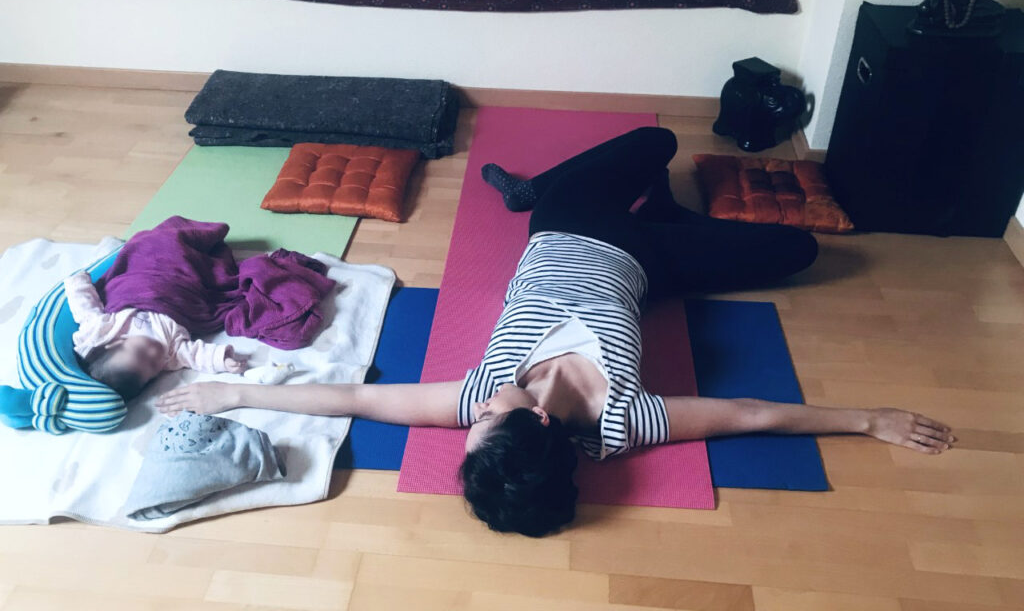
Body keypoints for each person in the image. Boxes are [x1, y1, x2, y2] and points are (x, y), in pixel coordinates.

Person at [156, 127, 955, 537]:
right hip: (647, 267)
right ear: (539, 422)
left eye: (473, 425)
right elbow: (751, 414)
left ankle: (533, 189)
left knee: (657, 144)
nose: (473, 414)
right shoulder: (625, 423)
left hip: (568, 223)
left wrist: (236, 392)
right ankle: (662, 213)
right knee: (800, 250)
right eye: (484, 424)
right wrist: (869, 419)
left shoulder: (481, 398)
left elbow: (358, 398)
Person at [65, 272, 247, 400]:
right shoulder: (170, 354)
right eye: (153, 365)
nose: (153, 353)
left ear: (114, 343)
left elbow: (85, 307)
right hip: (180, 298)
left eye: (141, 352)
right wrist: (223, 361)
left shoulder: (103, 330)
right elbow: (195, 355)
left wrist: (78, 282)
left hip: (145, 288)